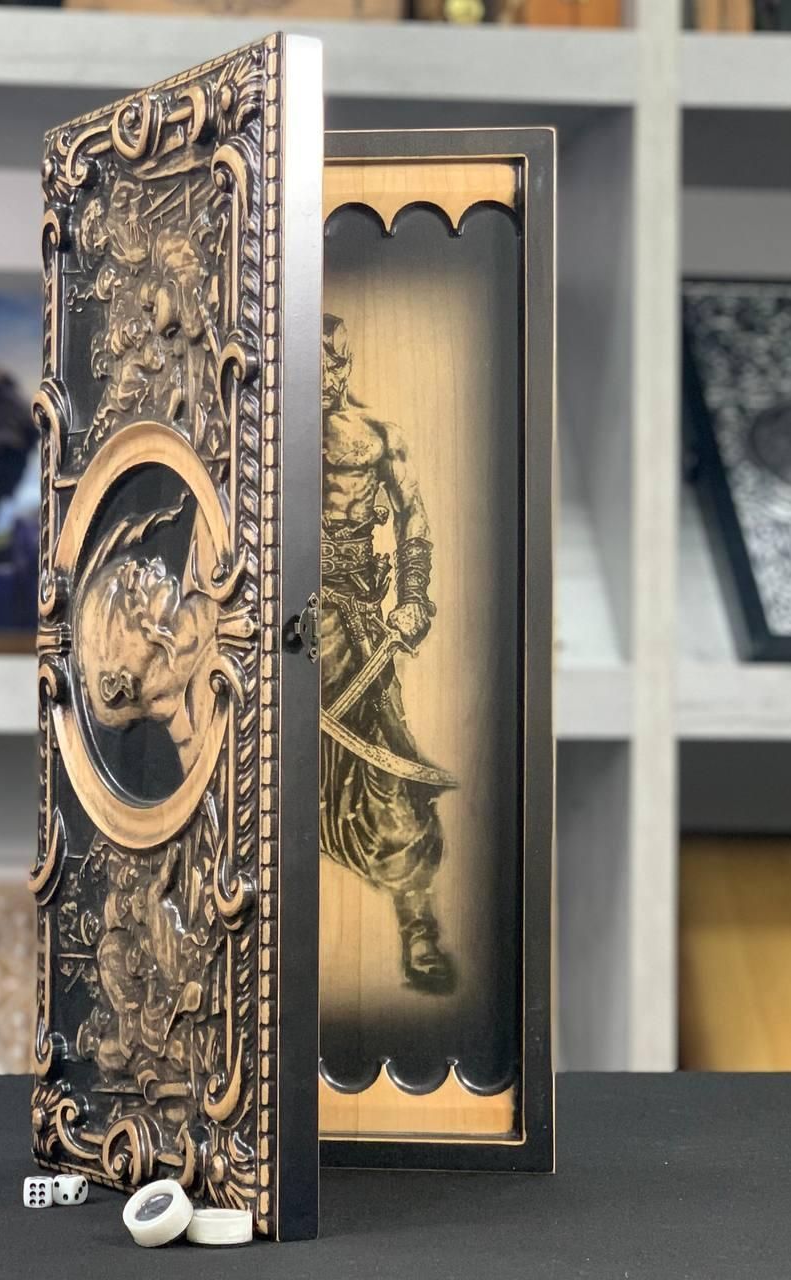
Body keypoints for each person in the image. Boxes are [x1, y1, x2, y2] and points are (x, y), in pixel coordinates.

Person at [319, 313, 457, 993]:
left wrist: (414, 597)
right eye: (314, 359)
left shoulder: (378, 437)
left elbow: (415, 523)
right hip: (274, 632)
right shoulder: (257, 429)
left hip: (358, 625)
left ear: (345, 365)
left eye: (334, 362)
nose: (324, 373)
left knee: (388, 773)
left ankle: (417, 925)